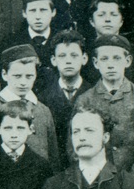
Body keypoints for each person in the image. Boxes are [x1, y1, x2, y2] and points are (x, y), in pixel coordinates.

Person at [75, 34, 134, 185]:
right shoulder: (85, 99)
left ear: (127, 61)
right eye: (104, 59)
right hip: (95, 183)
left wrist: (133, 182)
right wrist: (91, 179)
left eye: (116, 58)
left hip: (133, 183)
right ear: (95, 63)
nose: (110, 65)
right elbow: (74, 146)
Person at [0, 44, 60, 168]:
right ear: (4, 74)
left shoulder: (43, 111)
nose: (23, 82)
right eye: (17, 76)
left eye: (29, 76)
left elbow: (53, 157)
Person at [39, 30, 94, 161]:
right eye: (62, 56)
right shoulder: (43, 98)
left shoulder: (94, 93)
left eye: (74, 55)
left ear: (84, 58)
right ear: (53, 60)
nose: (68, 61)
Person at [1, 0, 59, 90]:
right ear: (24, 13)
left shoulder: (61, 41)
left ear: (53, 12)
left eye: (43, 10)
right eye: (32, 11)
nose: (38, 17)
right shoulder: (11, 42)